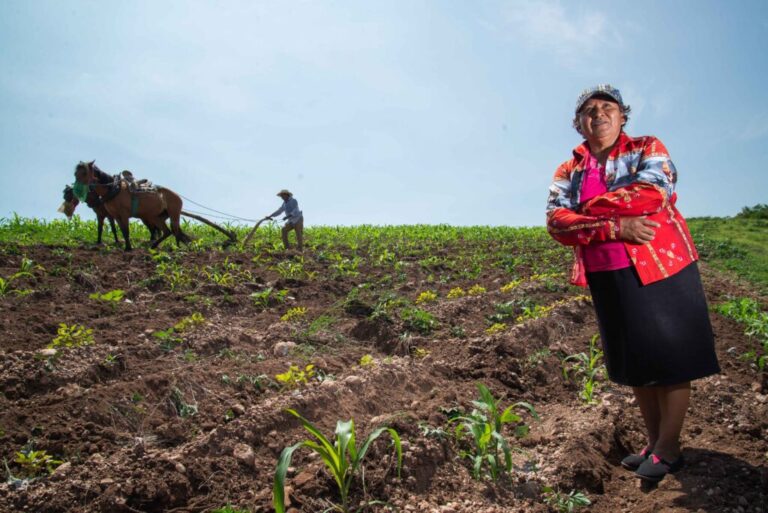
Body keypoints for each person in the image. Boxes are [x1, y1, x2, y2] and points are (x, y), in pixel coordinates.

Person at [546, 85, 720, 483]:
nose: (599, 115)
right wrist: (614, 225)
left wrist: (585, 212)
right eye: (589, 111)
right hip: (606, 271)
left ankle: (669, 447)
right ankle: (654, 440)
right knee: (637, 360)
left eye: (608, 108)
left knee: (670, 358)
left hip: (660, 265)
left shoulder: (646, 147)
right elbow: (556, 221)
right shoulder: (569, 169)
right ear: (579, 125)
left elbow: (654, 193)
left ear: (622, 117)